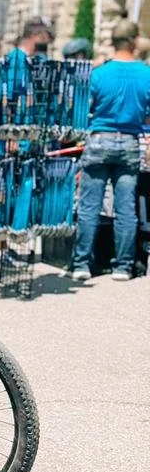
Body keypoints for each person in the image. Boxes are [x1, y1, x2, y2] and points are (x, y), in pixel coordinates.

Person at [70, 21, 150, 282]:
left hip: (99, 140)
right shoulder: (146, 74)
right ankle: (123, 266)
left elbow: (85, 108)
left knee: (89, 206)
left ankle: (82, 264)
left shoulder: (99, 74)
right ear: (134, 41)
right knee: (126, 208)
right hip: (129, 141)